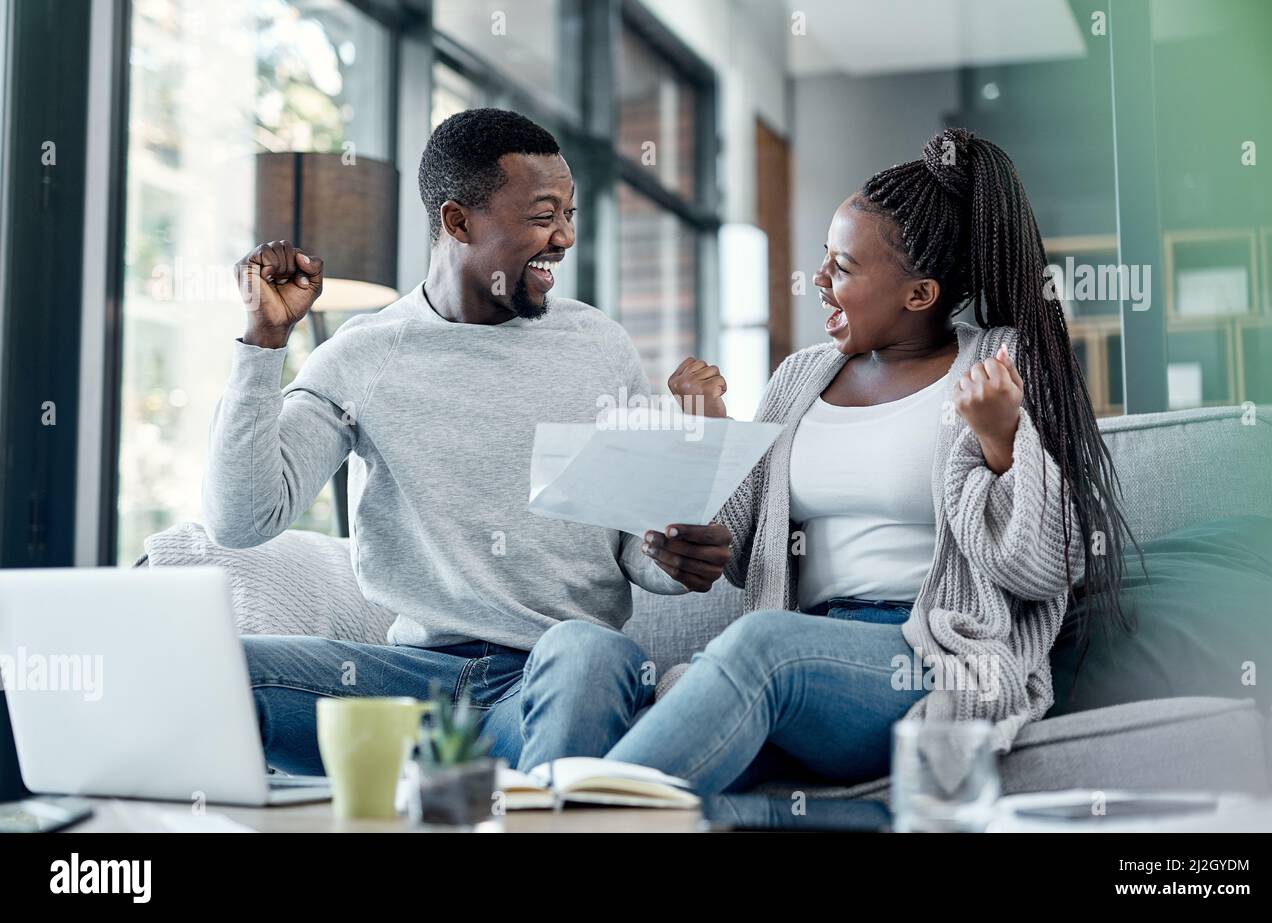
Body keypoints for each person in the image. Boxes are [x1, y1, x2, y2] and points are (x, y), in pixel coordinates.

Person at [603, 127, 1138, 794]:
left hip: (927, 653)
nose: (819, 282)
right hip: (810, 653)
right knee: (711, 771)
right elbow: (737, 551)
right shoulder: (800, 377)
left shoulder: (997, 363)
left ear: (919, 294)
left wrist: (1003, 445)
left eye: (844, 268)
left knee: (757, 647)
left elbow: (1049, 564)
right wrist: (709, 430)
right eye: (823, 260)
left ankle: (563, 819)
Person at [202, 108, 731, 776]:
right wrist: (263, 343)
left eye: (570, 213)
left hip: (552, 676)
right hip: (408, 688)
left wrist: (675, 559)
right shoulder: (363, 354)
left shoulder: (599, 347)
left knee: (591, 651)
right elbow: (241, 518)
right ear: (458, 221)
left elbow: (637, 552)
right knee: (218, 670)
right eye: (544, 215)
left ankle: (547, 813)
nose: (565, 237)